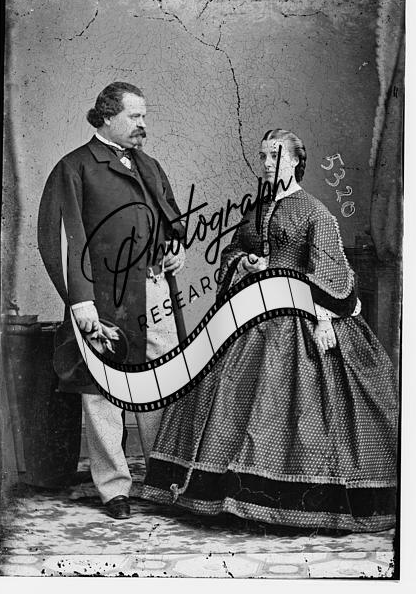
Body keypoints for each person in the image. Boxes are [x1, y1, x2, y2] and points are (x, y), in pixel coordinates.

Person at [141, 128, 398, 533]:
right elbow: (232, 251)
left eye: (275, 156)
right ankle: (224, 496)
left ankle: (280, 500)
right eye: (263, 156)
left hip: (297, 316)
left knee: (290, 400)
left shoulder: (314, 211)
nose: (266, 163)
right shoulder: (255, 209)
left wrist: (319, 315)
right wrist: (244, 262)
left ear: (295, 161)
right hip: (250, 311)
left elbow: (331, 272)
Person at [38, 82, 186, 519]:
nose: (143, 124)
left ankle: (161, 479)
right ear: (106, 117)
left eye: (144, 116)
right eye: (134, 116)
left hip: (154, 290)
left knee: (162, 382)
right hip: (101, 296)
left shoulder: (150, 164)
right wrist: (79, 301)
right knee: (103, 388)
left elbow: (171, 221)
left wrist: (175, 247)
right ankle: (114, 489)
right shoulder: (75, 167)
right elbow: (63, 238)